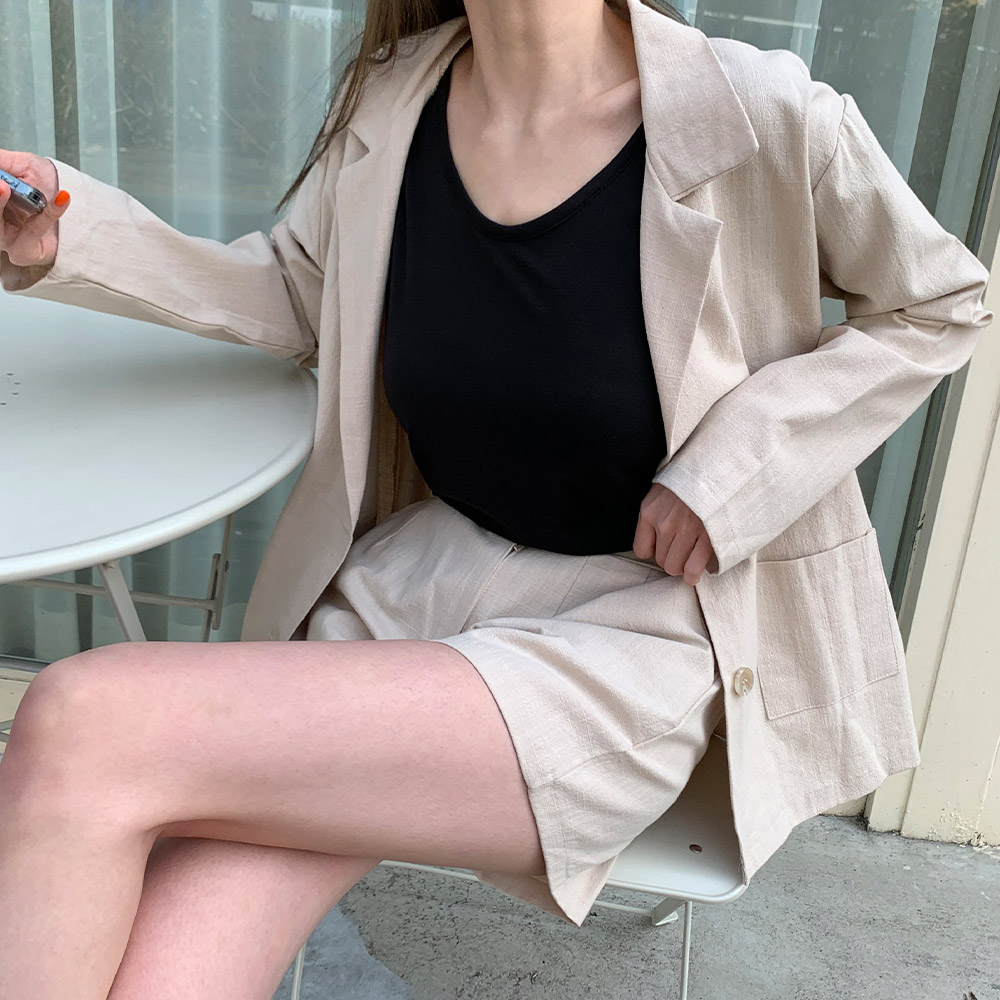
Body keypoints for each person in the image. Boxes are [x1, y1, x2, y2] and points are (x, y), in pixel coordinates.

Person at [0, 0, 993, 996]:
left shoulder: (755, 111)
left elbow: (940, 299)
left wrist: (735, 470)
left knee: (85, 722)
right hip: (414, 583)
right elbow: (309, 295)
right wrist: (75, 239)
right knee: (166, 971)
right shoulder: (395, 98)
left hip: (633, 635)